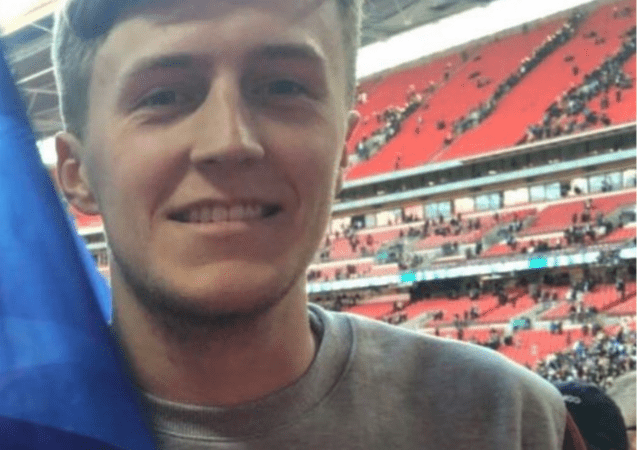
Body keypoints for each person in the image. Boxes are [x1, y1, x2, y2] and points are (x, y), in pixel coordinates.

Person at [51, 0, 585, 448]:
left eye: (283, 87)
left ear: (344, 149)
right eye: (162, 96)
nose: (230, 141)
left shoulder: (512, 421)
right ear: (76, 173)